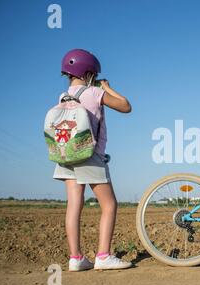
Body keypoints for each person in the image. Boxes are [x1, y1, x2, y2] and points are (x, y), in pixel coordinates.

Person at [53, 49, 132, 271]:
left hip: (67, 156)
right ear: (89, 72)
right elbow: (126, 106)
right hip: (90, 156)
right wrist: (105, 87)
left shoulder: (63, 96)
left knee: (74, 205)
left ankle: (75, 258)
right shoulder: (95, 93)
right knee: (109, 204)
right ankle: (103, 256)